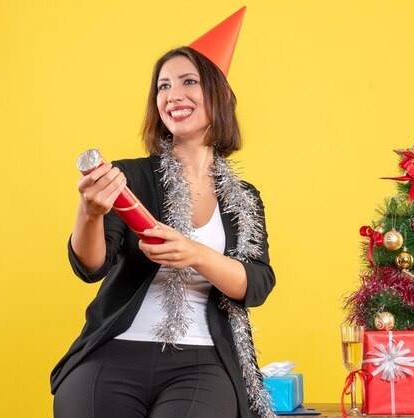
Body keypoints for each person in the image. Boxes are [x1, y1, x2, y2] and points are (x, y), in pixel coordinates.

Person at [50, 9, 276, 418]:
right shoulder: (128, 177)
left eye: (189, 82)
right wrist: (89, 212)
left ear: (219, 95)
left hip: (204, 362)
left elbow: (256, 284)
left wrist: (197, 254)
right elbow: (91, 267)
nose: (173, 95)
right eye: (163, 86)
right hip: (112, 352)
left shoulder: (244, 197)